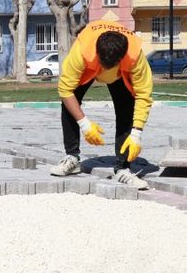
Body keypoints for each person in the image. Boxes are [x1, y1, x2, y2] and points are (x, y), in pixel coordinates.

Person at [50, 20, 153, 190]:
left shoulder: (134, 55)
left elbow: (144, 94)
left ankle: (123, 169)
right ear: (97, 52)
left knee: (127, 109)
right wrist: (84, 124)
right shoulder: (83, 49)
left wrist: (136, 134)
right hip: (88, 68)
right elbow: (65, 90)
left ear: (122, 57)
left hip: (121, 74)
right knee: (69, 103)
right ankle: (72, 158)